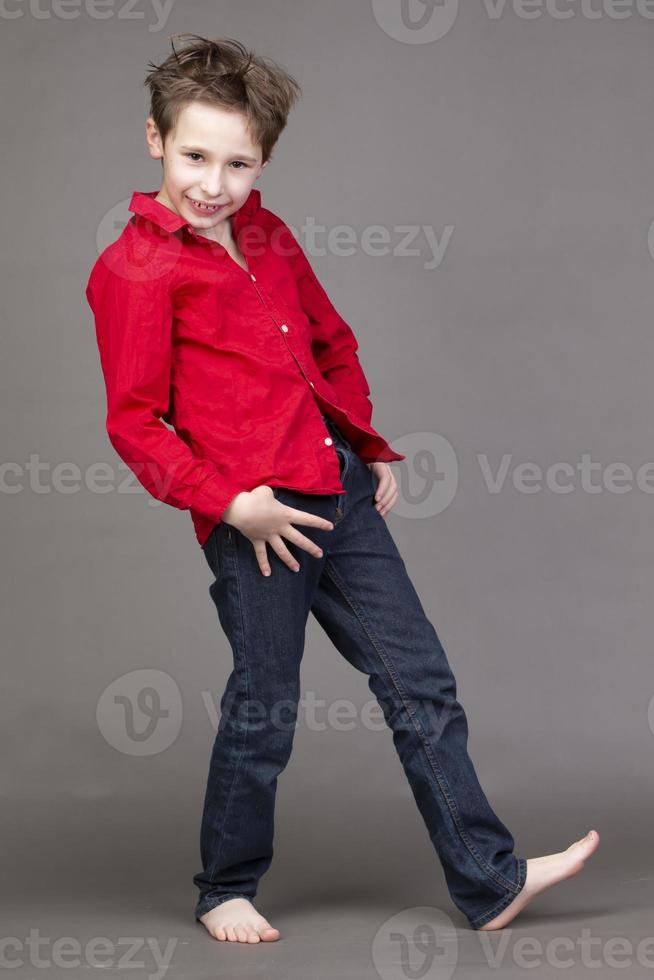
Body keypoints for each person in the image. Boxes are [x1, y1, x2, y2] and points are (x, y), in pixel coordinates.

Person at [85, 33, 599, 944]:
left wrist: (369, 444)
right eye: (196, 156)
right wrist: (228, 503)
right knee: (268, 700)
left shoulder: (270, 236)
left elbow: (330, 340)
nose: (213, 183)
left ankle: (489, 879)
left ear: (264, 162)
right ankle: (226, 886)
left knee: (421, 682)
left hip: (339, 492)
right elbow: (135, 424)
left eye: (237, 163)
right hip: (256, 517)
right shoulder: (135, 269)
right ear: (156, 140)